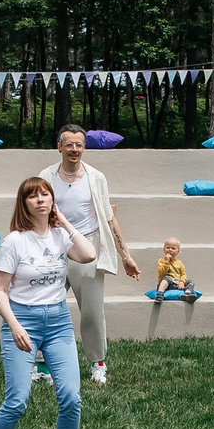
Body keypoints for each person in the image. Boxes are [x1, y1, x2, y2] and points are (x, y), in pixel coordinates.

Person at [0, 176, 97, 429]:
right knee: (17, 400)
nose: (41, 200)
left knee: (71, 397)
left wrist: (66, 223)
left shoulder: (61, 236)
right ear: (24, 204)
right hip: (22, 321)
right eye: (33, 196)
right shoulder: (14, 241)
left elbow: (89, 255)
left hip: (58, 322)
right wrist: (14, 326)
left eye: (46, 194)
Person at [38, 124, 139, 384]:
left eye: (79, 145)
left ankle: (98, 363)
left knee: (92, 311)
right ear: (59, 147)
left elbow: (109, 218)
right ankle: (43, 366)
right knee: (43, 307)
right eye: (69, 145)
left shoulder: (96, 177)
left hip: (87, 246)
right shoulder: (46, 176)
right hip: (54, 246)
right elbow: (36, 213)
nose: (74, 149)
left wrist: (126, 256)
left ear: (84, 147)